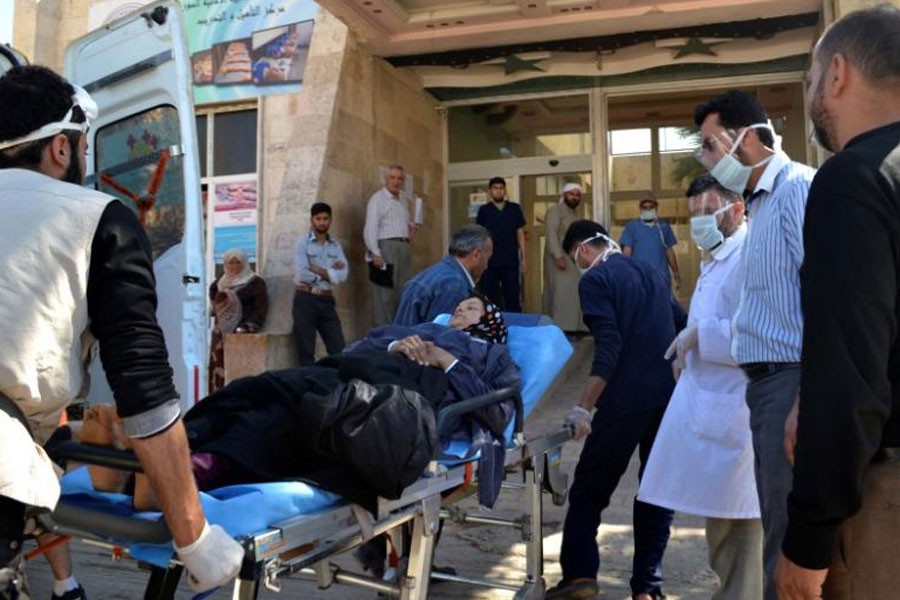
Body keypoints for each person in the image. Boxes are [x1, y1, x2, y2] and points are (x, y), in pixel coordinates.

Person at [0, 65, 242, 597]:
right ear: (62, 148)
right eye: (84, 148)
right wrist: (194, 537)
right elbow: (144, 388)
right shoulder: (98, 217)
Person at [76, 294, 518, 511]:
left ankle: (178, 471)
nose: (459, 313)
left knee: (293, 418)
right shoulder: (410, 329)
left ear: (491, 324)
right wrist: (395, 346)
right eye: (458, 308)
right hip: (362, 369)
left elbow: (497, 410)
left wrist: (446, 359)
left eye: (472, 310)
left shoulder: (492, 356)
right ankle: (161, 451)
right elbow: (357, 349)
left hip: (405, 394)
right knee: (258, 389)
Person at [774, 6, 900, 599]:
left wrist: (808, 538)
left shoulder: (853, 178)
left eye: (810, 80)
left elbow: (848, 377)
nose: (810, 97)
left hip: (883, 505)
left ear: (839, 74)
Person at [693, 89, 815, 600]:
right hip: (766, 387)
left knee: (790, 544)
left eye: (708, 144)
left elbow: (827, 296)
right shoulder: (763, 205)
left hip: (791, 381)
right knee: (778, 530)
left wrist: (808, 394)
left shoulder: (797, 189)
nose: (704, 159)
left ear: (742, 137)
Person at [639, 175, 762, 600]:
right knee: (722, 533)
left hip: (739, 413)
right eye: (693, 215)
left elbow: (762, 334)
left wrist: (700, 337)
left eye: (707, 213)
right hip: (714, 407)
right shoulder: (717, 257)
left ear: (738, 209)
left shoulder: (751, 255)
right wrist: (692, 349)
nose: (699, 223)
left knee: (742, 533)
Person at [547, 219, 681, 600]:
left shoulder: (595, 281)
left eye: (577, 259)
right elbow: (682, 324)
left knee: (589, 490)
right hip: (665, 400)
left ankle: (579, 577)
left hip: (623, 402)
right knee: (656, 492)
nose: (579, 265)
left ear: (584, 249)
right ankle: (647, 588)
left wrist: (583, 406)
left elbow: (608, 345)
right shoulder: (650, 273)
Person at [394, 224, 492, 326]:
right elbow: (443, 337)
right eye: (487, 259)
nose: (486, 266)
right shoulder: (453, 285)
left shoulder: (434, 274)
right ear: (476, 255)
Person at [292, 202, 348, 366]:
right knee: (306, 352)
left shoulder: (336, 246)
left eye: (326, 219)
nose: (322, 222)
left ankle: (338, 388)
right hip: (305, 298)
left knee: (339, 350)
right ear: (312, 220)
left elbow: (343, 274)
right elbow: (302, 273)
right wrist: (330, 274)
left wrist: (320, 271)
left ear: (330, 220)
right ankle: (308, 388)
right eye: (318, 219)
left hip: (326, 300)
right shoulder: (302, 243)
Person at [209, 248, 268, 391]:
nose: (234, 266)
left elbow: (261, 308)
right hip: (220, 336)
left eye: (238, 263)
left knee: (239, 379)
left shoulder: (255, 283)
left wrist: (248, 327)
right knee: (219, 371)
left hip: (242, 335)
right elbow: (214, 307)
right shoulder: (218, 284)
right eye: (230, 263)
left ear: (244, 263)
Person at [363, 165, 416, 327]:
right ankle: (383, 335)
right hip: (385, 248)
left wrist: (410, 231)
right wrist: (375, 253)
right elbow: (370, 226)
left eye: (400, 178)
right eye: (392, 178)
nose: (396, 181)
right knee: (384, 295)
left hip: (403, 247)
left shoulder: (403, 200)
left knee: (402, 292)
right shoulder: (377, 199)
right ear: (386, 179)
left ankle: (398, 333)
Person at [542, 182, 587, 333]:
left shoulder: (576, 214)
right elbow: (551, 235)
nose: (574, 197)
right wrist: (558, 256)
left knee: (573, 293)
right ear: (564, 194)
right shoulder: (555, 211)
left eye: (577, 194)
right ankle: (563, 329)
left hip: (573, 260)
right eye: (571, 194)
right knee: (561, 294)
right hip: (559, 259)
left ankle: (576, 328)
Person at [476, 176, 526, 312]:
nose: (498, 191)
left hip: (510, 260)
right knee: (489, 296)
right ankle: (491, 327)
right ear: (490, 191)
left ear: (505, 190)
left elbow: (520, 234)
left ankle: (515, 326)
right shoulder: (484, 210)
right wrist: (481, 259)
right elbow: (480, 236)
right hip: (490, 261)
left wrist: (523, 258)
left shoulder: (514, 209)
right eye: (495, 188)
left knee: (512, 297)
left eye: (501, 188)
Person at [619, 194, 681, 292]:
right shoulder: (632, 227)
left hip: (661, 278)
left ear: (656, 208)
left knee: (662, 305)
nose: (648, 210)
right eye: (645, 208)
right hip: (640, 278)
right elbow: (627, 253)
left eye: (651, 207)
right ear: (640, 209)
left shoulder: (663, 227)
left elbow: (670, 253)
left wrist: (676, 274)